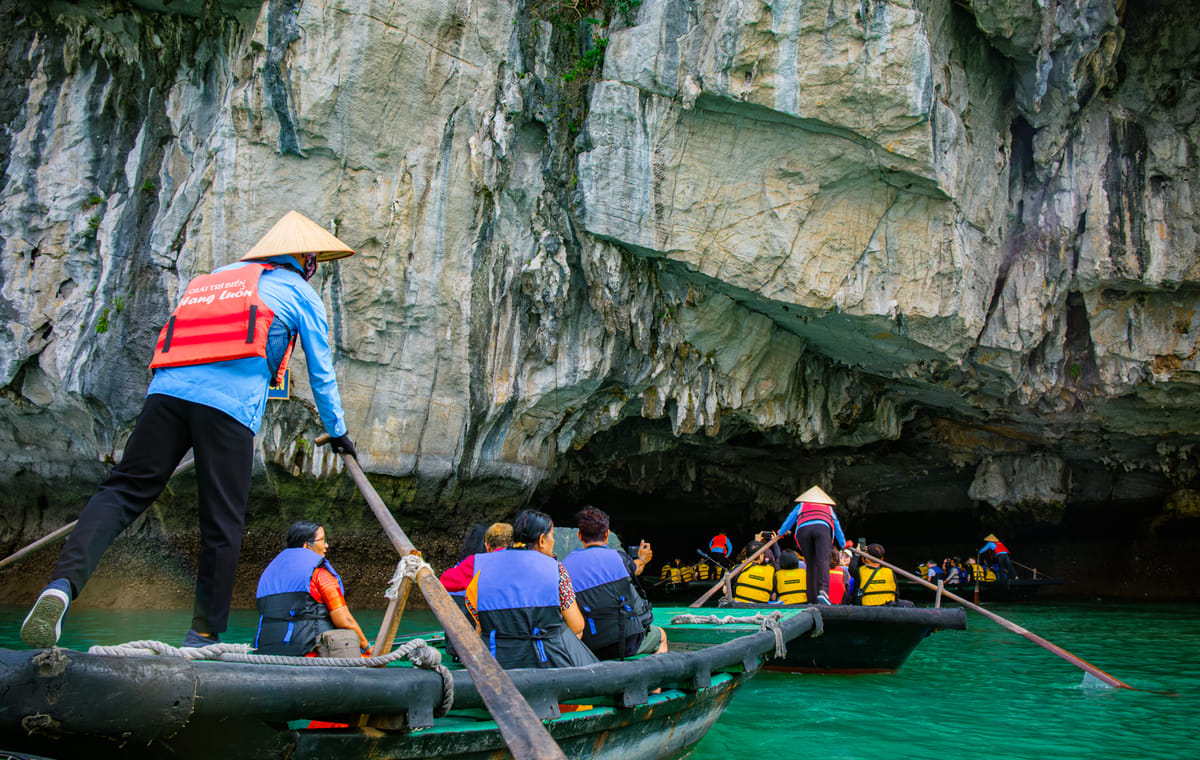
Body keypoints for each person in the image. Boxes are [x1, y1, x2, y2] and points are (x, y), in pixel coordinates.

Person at [21, 211, 357, 650]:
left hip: (165, 398)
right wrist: (337, 430)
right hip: (228, 408)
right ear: (303, 259)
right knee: (222, 523)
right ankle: (202, 634)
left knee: (121, 492)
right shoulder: (298, 291)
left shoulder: (212, 279)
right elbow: (321, 372)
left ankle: (61, 587)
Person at [465, 509, 598, 669]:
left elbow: (480, 624)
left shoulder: (481, 574)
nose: (553, 540)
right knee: (574, 632)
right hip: (546, 661)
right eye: (553, 535)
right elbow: (577, 626)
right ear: (542, 540)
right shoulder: (556, 570)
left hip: (499, 664)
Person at [560, 506, 666, 659]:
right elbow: (637, 568)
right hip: (628, 642)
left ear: (579, 536)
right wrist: (643, 558)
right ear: (607, 534)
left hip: (589, 648)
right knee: (661, 636)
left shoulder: (564, 569)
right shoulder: (620, 559)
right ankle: (657, 683)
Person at [253, 521, 369, 655]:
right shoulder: (320, 575)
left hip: (267, 652)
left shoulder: (268, 574)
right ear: (306, 545)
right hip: (311, 652)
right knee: (365, 653)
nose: (326, 545)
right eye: (322, 540)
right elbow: (344, 620)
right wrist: (368, 648)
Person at [777, 485, 849, 606]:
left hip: (803, 531)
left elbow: (789, 520)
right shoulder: (828, 508)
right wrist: (842, 544)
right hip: (822, 529)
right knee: (822, 561)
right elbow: (837, 526)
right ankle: (823, 592)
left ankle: (811, 599)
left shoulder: (801, 505)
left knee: (810, 564)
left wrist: (780, 533)